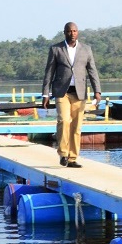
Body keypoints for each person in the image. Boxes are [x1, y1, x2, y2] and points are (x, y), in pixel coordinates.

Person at [41, 22, 102, 168]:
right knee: (64, 120)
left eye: (74, 31)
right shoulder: (56, 49)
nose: (72, 33)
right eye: (69, 31)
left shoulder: (86, 49)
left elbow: (92, 71)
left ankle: (73, 158)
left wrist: (97, 91)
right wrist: (45, 94)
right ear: (64, 32)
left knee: (76, 126)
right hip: (62, 92)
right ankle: (63, 153)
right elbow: (49, 73)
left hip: (79, 93)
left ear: (78, 32)